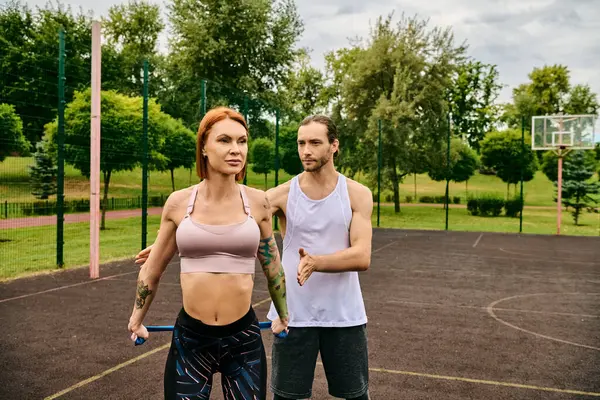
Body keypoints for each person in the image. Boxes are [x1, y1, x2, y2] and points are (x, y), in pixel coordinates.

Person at [136, 114, 373, 400]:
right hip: (296, 315)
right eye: (301, 143)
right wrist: (169, 241)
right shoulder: (283, 194)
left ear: (334, 145)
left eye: (314, 143)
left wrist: (317, 262)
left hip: (344, 314)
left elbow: (362, 256)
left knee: (355, 396)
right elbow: (229, 212)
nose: (306, 150)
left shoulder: (356, 194)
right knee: (286, 396)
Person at [128, 106, 289, 400]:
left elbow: (273, 268)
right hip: (191, 339)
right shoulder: (179, 203)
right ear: (204, 146)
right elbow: (152, 269)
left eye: (242, 141)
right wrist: (136, 320)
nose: (235, 149)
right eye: (224, 140)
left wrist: (284, 316)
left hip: (243, 340)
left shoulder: (258, 202)